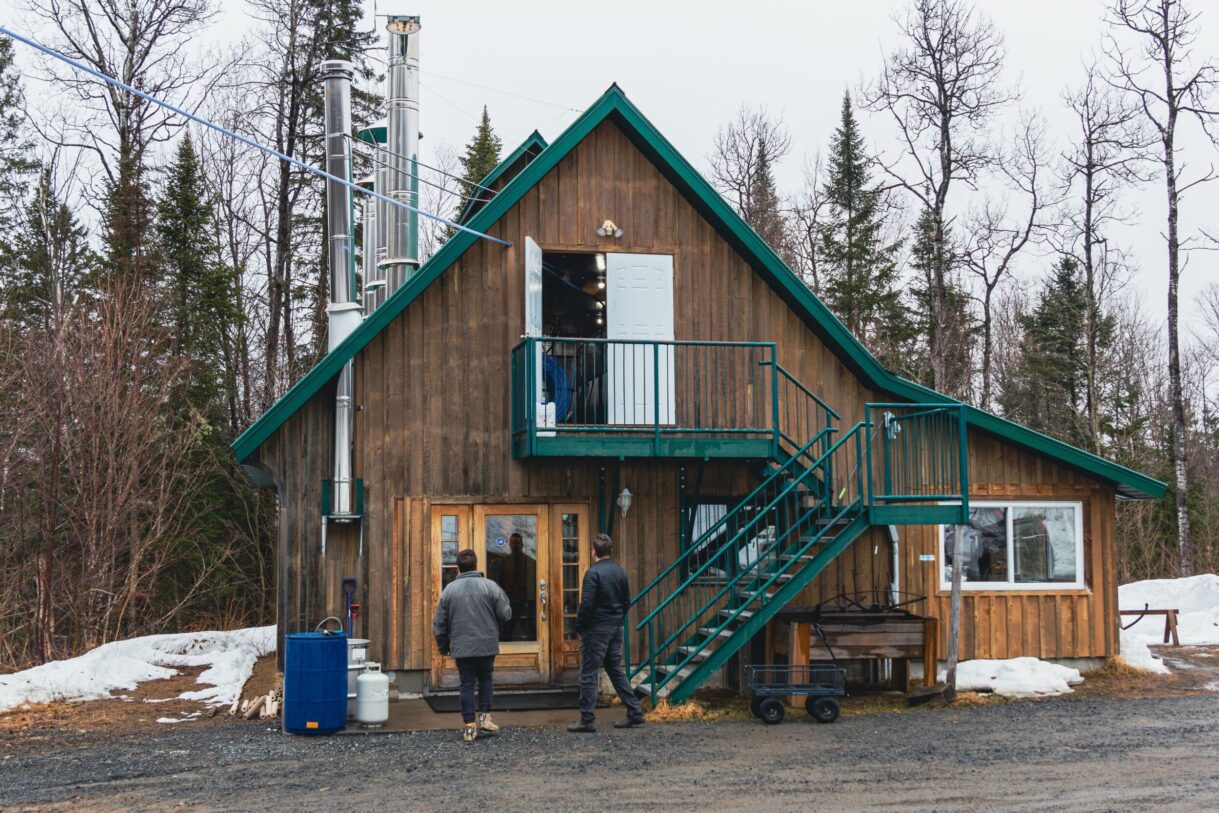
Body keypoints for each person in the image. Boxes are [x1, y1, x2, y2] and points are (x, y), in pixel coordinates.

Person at [567, 533, 646, 733]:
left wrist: (579, 626)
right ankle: (635, 712)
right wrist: (617, 617)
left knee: (588, 673)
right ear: (609, 551)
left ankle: (587, 720)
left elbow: (587, 604)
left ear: (594, 551)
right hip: (616, 626)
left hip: (597, 629)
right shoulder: (620, 572)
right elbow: (627, 601)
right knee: (614, 668)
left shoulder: (593, 574)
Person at [433, 548, 512, 742]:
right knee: (485, 678)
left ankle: (469, 727)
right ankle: (485, 717)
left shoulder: (449, 590)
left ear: (458, 568)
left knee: (466, 683)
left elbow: (439, 624)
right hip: (486, 644)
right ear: (476, 565)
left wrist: (443, 647)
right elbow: (506, 614)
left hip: (461, 645)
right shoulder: (490, 587)